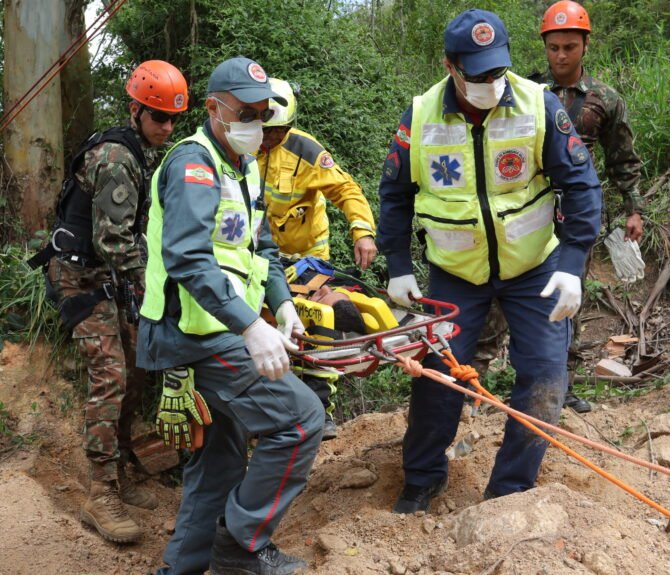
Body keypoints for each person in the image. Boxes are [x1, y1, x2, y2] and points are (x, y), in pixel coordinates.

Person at [378, 9, 602, 513]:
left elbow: (582, 184)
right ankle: (422, 478)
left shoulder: (538, 104)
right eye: (477, 74)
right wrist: (397, 264)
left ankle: (510, 491)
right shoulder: (420, 116)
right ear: (450, 66)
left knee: (545, 377)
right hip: (456, 273)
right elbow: (395, 193)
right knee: (438, 375)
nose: (490, 83)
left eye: (497, 71)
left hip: (535, 268)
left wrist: (571, 261)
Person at [138, 56, 323, 575]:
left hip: (219, 328)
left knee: (220, 456)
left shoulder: (241, 165)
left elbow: (261, 245)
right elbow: (188, 257)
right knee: (301, 420)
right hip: (194, 333)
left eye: (263, 114)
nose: (255, 125)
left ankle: (185, 569)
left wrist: (282, 305)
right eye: (245, 112)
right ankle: (240, 549)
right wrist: (250, 326)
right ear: (213, 108)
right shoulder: (193, 164)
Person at [36, 60, 188, 543]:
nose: (165, 127)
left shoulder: (141, 152)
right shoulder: (117, 157)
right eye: (157, 117)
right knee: (111, 372)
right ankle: (100, 493)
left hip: (107, 275)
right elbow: (116, 242)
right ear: (135, 111)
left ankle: (122, 465)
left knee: (142, 360)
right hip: (79, 277)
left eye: (171, 119)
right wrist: (152, 287)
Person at [530, 0, 646, 413]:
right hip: (527, 210)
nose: (560, 56)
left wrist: (634, 210)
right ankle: (512, 380)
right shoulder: (527, 91)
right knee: (511, 294)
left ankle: (563, 384)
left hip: (577, 210)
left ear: (584, 46)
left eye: (569, 47)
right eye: (553, 48)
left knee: (568, 292)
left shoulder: (605, 99)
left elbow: (623, 160)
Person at [256, 79, 379, 439]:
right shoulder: (240, 148)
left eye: (277, 132)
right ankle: (267, 410)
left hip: (308, 257)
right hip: (260, 257)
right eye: (265, 131)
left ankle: (320, 407)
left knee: (319, 321)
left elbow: (346, 189)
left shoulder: (306, 151)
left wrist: (363, 231)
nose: (268, 139)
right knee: (263, 327)